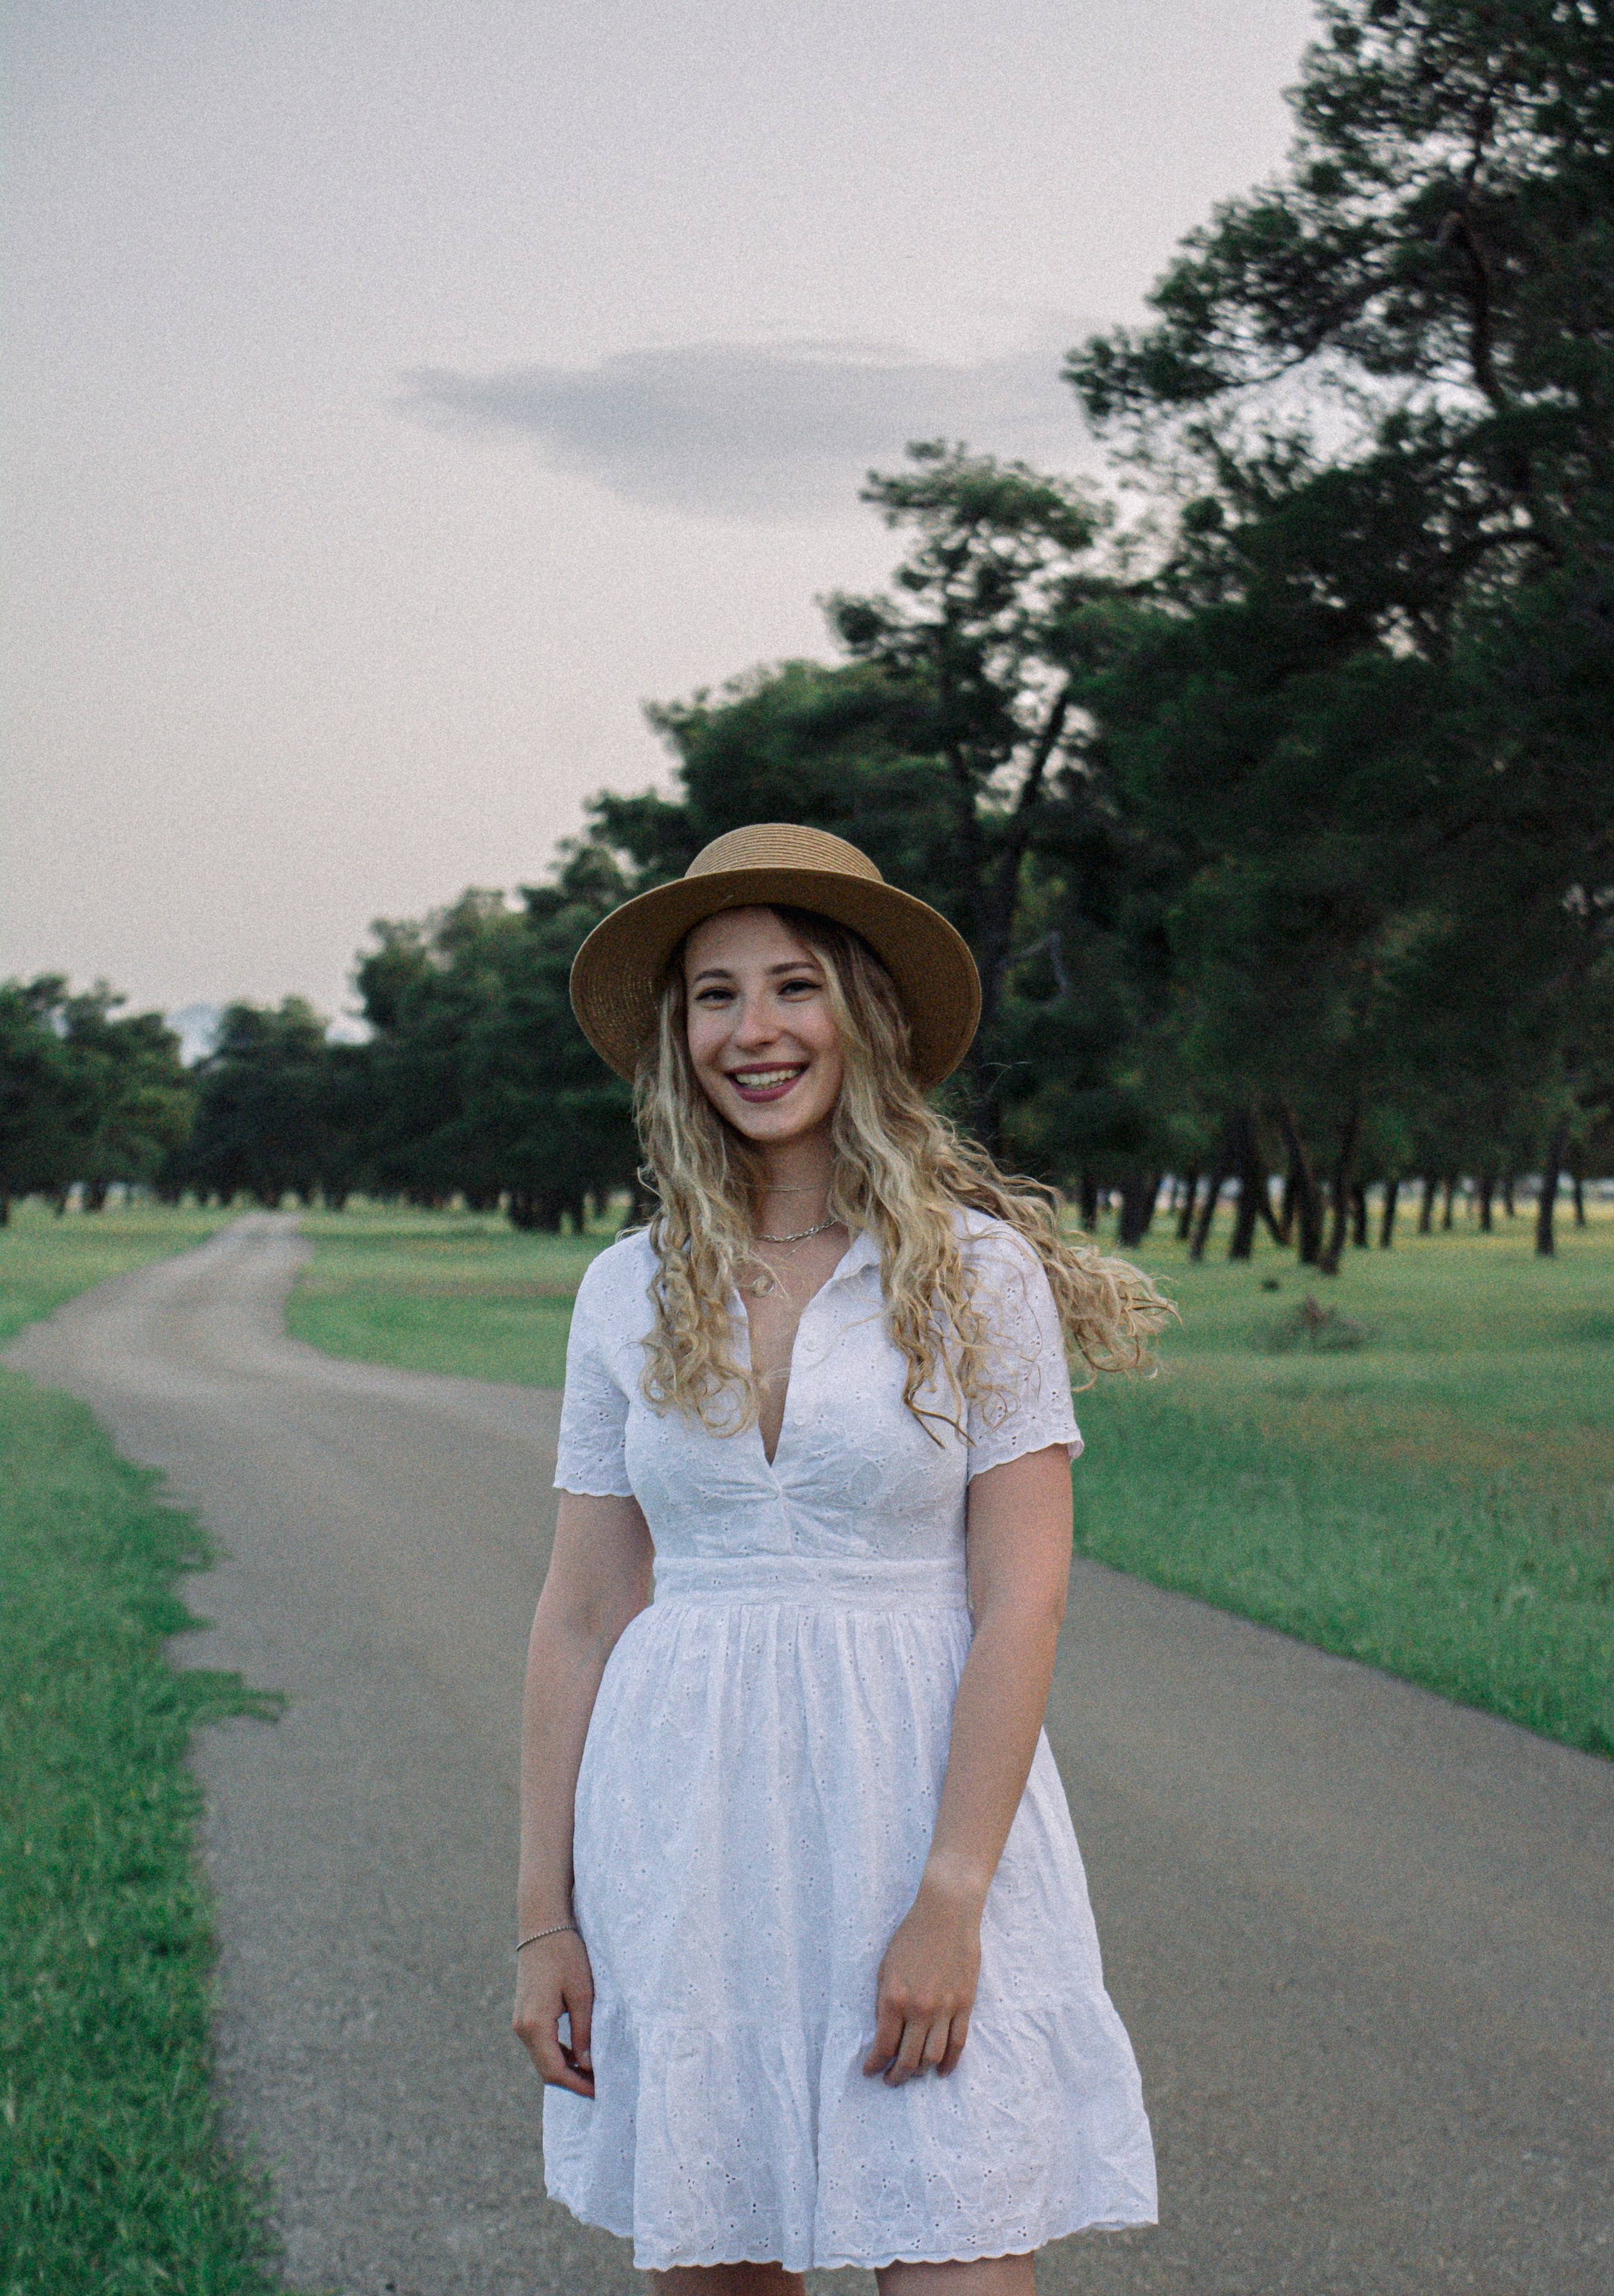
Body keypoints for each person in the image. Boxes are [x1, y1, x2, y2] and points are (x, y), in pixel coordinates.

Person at [514, 823, 1170, 2293]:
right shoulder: (624, 1289)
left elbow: (1022, 1594)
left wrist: (949, 1896)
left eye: (791, 986)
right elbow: (580, 1612)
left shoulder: (972, 1272)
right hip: (684, 1847)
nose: (753, 1032)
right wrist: (542, 1921)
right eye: (712, 995)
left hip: (916, 1824)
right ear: (676, 1038)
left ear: (860, 1013)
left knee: (954, 2252)